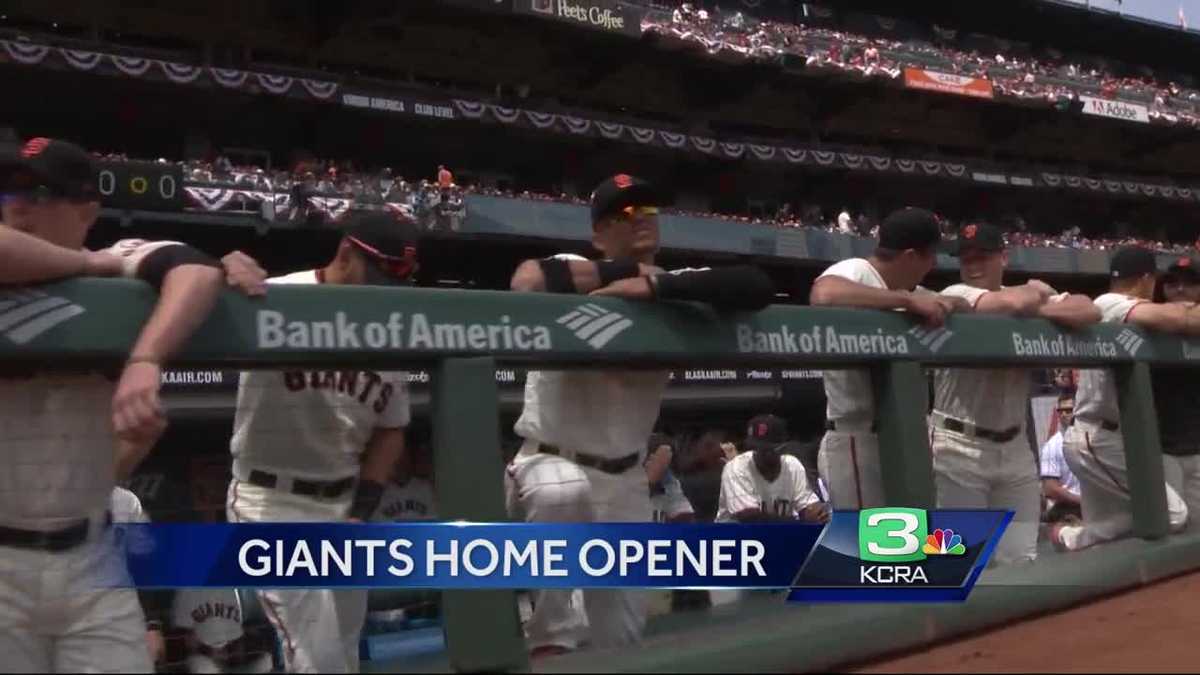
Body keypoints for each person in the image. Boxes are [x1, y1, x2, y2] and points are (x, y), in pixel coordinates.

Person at [0, 137, 245, 672]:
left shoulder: (120, 256)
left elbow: (197, 272)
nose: (16, 206)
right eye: (7, 192)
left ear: (87, 208)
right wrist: (89, 265)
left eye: (37, 193)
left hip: (90, 558)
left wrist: (146, 359)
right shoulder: (100, 263)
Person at [505, 173, 774, 657]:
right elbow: (526, 280)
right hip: (550, 461)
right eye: (626, 214)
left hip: (625, 481)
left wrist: (655, 287)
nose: (642, 219)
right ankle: (549, 641)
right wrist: (621, 275)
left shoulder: (677, 286)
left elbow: (756, 285)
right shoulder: (573, 268)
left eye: (649, 211)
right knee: (560, 493)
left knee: (620, 642)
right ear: (598, 234)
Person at [225, 211, 420, 673]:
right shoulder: (277, 296)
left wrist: (362, 509)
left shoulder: (386, 323)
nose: (380, 291)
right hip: (270, 500)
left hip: (342, 504)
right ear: (346, 253)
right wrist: (221, 271)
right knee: (316, 658)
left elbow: (392, 426)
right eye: (375, 276)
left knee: (344, 655)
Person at [931, 223, 1100, 564]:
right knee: (961, 559)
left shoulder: (1022, 301)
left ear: (1004, 257)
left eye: (983, 256)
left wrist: (1034, 308)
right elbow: (1009, 302)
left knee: (1020, 558)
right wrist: (1036, 298)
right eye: (966, 258)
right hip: (957, 446)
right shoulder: (957, 292)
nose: (973, 265)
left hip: (1015, 448)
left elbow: (1088, 310)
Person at [809, 207, 967, 510]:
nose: (934, 263)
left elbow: (959, 304)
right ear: (909, 256)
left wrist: (949, 301)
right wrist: (907, 300)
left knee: (908, 546)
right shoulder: (858, 270)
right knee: (868, 549)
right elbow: (824, 294)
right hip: (857, 436)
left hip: (900, 435)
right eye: (930, 255)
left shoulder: (907, 289)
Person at [1050, 247, 1195, 551]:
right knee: (1172, 513)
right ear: (1147, 278)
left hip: (1112, 438)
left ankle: (1081, 548)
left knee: (1111, 535)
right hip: (1098, 438)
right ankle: (1072, 537)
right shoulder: (1110, 302)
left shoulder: (1123, 305)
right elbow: (1176, 318)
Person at [715, 415, 829, 524]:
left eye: (769, 448)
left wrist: (817, 514)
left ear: (783, 446)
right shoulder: (737, 467)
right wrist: (799, 522)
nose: (763, 452)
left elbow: (808, 507)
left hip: (778, 536)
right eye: (757, 447)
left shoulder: (792, 466)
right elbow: (750, 519)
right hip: (732, 537)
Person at [1153, 256, 1200, 519]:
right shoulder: (1149, 324)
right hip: (1162, 448)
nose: (1180, 289)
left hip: (1197, 446)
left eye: (1190, 283)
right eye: (1172, 284)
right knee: (1171, 523)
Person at [1041, 396, 1082, 523]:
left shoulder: (1092, 438)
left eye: (1069, 410)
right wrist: (1081, 501)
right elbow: (1050, 488)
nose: (1064, 414)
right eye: (1060, 411)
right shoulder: (1052, 446)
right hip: (1067, 510)